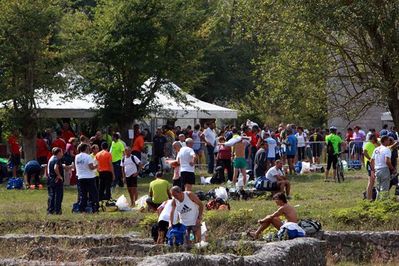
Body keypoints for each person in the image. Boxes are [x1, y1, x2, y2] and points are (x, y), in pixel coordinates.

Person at [75, 143, 99, 212]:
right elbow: (91, 167)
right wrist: (96, 166)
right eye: (88, 148)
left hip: (80, 177)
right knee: (94, 193)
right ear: (86, 149)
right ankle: (95, 208)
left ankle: (81, 208)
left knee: (83, 194)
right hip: (89, 177)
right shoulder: (88, 157)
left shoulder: (77, 156)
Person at [47, 147, 64, 215]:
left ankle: (51, 210)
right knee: (58, 195)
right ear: (59, 152)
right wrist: (59, 176)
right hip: (57, 180)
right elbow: (55, 168)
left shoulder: (51, 159)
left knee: (52, 195)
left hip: (51, 180)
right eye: (61, 152)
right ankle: (57, 210)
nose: (62, 153)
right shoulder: (57, 159)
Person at [363, 134, 379, 200]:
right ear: (372, 138)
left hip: (372, 164)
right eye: (375, 138)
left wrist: (377, 142)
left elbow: (380, 145)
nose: (376, 139)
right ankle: (369, 198)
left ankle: (369, 196)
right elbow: (364, 152)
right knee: (371, 181)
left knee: (372, 181)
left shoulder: (374, 144)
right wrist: (370, 159)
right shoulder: (368, 144)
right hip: (369, 164)